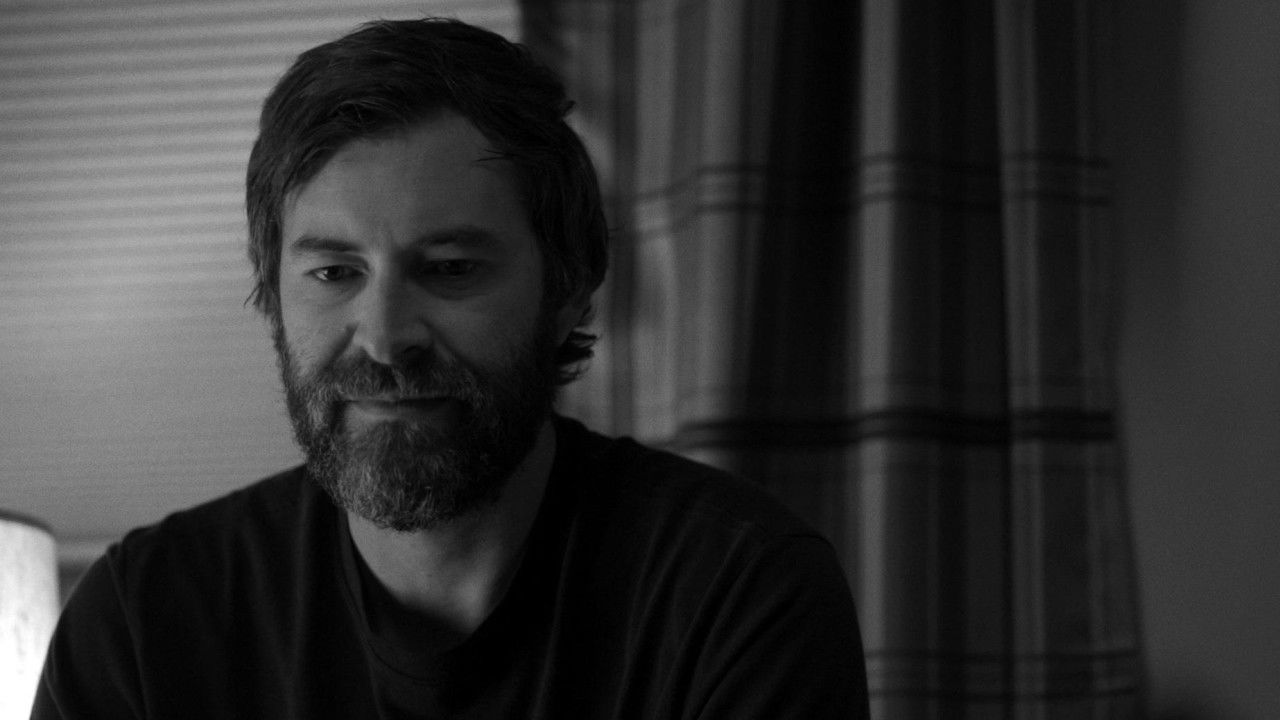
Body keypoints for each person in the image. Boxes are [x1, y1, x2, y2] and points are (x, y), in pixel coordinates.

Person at [32, 18, 868, 719]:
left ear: (568, 291)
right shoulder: (143, 621)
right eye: (335, 272)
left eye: (452, 268)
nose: (384, 338)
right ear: (272, 293)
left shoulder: (735, 591)